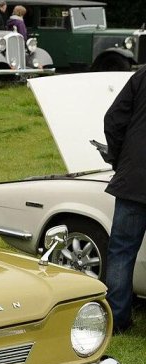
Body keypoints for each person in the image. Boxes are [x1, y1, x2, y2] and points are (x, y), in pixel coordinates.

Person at [103, 66, 146, 334]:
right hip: (132, 177)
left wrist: (121, 159)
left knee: (121, 251)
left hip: (133, 179)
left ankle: (117, 320)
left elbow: (113, 119)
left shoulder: (142, 76)